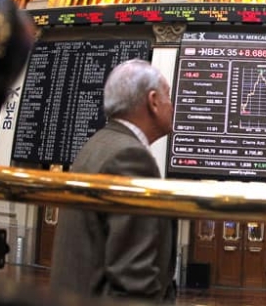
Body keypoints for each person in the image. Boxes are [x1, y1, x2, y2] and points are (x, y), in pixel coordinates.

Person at [49, 59, 177, 304]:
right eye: (168, 96)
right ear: (153, 101)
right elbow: (133, 281)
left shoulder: (97, 144)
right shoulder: (130, 158)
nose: (172, 105)